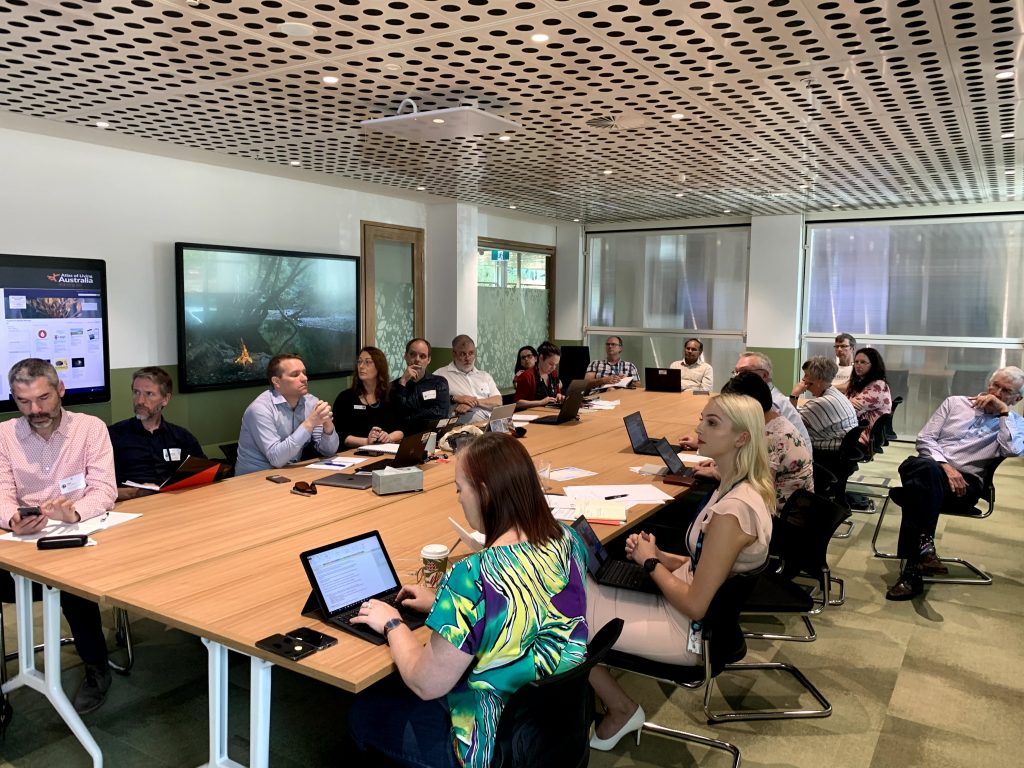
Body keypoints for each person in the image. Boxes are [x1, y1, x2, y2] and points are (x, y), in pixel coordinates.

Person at [348, 432, 589, 768]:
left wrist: (392, 623)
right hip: (559, 730)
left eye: (460, 489)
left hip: (490, 746)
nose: (459, 498)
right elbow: (527, 608)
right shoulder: (568, 540)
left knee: (363, 711)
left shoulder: (473, 574)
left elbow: (424, 682)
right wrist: (442, 607)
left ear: (485, 493)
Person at [586, 394, 774, 750]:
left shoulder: (733, 512)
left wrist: (650, 563)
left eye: (713, 423)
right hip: (684, 610)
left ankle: (620, 708)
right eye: (703, 419)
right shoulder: (737, 486)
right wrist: (658, 554)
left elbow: (696, 604)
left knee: (558, 617)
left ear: (742, 438)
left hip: (686, 630)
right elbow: (704, 564)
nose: (699, 428)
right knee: (577, 586)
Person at [0, 358, 117, 713]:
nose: (35, 410)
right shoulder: (5, 435)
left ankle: (96, 666)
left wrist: (76, 512)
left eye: (43, 398)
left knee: (75, 586)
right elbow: (1, 490)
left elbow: (104, 488)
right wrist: (12, 517)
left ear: (60, 390)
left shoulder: (90, 428)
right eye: (23, 402)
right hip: (21, 543)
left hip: (76, 535)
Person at [885, 366, 1024, 601]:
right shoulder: (955, 403)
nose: (997, 392)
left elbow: (1013, 449)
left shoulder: (1015, 423)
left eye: (1006, 391)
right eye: (995, 385)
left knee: (916, 493)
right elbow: (925, 438)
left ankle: (912, 572)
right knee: (925, 469)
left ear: (1017, 398)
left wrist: (1002, 413)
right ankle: (924, 550)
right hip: (931, 468)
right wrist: (946, 468)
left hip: (965, 485)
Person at [108, 366, 205, 500]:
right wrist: (134, 493)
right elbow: (97, 489)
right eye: (136, 392)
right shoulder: (113, 436)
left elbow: (204, 475)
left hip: (175, 503)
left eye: (149, 394)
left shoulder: (182, 437)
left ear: (165, 399)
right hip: (132, 504)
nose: (140, 401)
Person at [235, 353, 339, 475]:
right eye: (295, 375)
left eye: (304, 373)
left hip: (290, 473)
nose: (304, 378)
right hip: (253, 478)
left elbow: (329, 451)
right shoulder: (260, 409)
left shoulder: (311, 402)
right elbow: (276, 459)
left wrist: (327, 424)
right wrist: (310, 423)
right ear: (276, 382)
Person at [790, 356, 858, 496]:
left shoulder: (821, 403)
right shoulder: (835, 394)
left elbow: (791, 424)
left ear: (819, 380)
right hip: (840, 455)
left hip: (827, 457)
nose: (804, 380)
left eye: (807, 376)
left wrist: (794, 395)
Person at [733, 352, 812, 447]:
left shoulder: (771, 403)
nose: (737, 377)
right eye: (735, 372)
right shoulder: (764, 396)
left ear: (765, 375)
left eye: (743, 371)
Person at [334, 347, 404, 447]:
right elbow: (340, 436)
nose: (361, 366)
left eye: (368, 362)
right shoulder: (345, 398)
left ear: (379, 367)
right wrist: (367, 441)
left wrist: (388, 437)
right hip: (354, 455)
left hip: (386, 451)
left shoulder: (392, 395)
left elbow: (401, 429)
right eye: (359, 362)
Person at [435, 335, 502, 424]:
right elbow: (431, 399)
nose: (468, 358)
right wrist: (455, 398)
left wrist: (473, 403)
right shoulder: (440, 375)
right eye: (463, 354)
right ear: (454, 354)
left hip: (493, 424)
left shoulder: (484, 376)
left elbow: (498, 401)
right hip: (464, 429)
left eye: (471, 353)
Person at [390, 338, 450, 435]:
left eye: (422, 356)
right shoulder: (394, 386)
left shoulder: (439, 382)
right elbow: (396, 417)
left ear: (428, 360)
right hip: (403, 439)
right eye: (413, 354)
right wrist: (403, 382)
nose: (417, 359)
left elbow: (440, 415)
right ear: (405, 356)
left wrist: (409, 417)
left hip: (433, 437)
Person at [845, 347, 892, 446]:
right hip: (854, 429)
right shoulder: (860, 382)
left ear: (873, 365)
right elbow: (846, 404)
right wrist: (847, 402)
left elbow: (847, 410)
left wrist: (847, 403)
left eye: (863, 362)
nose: (858, 365)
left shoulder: (878, 386)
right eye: (856, 362)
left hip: (862, 435)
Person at [513, 341, 563, 408]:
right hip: (532, 414)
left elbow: (558, 392)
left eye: (555, 365)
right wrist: (541, 402)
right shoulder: (527, 376)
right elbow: (517, 403)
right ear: (541, 358)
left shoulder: (554, 373)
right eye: (551, 364)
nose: (553, 368)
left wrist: (559, 396)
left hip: (550, 411)